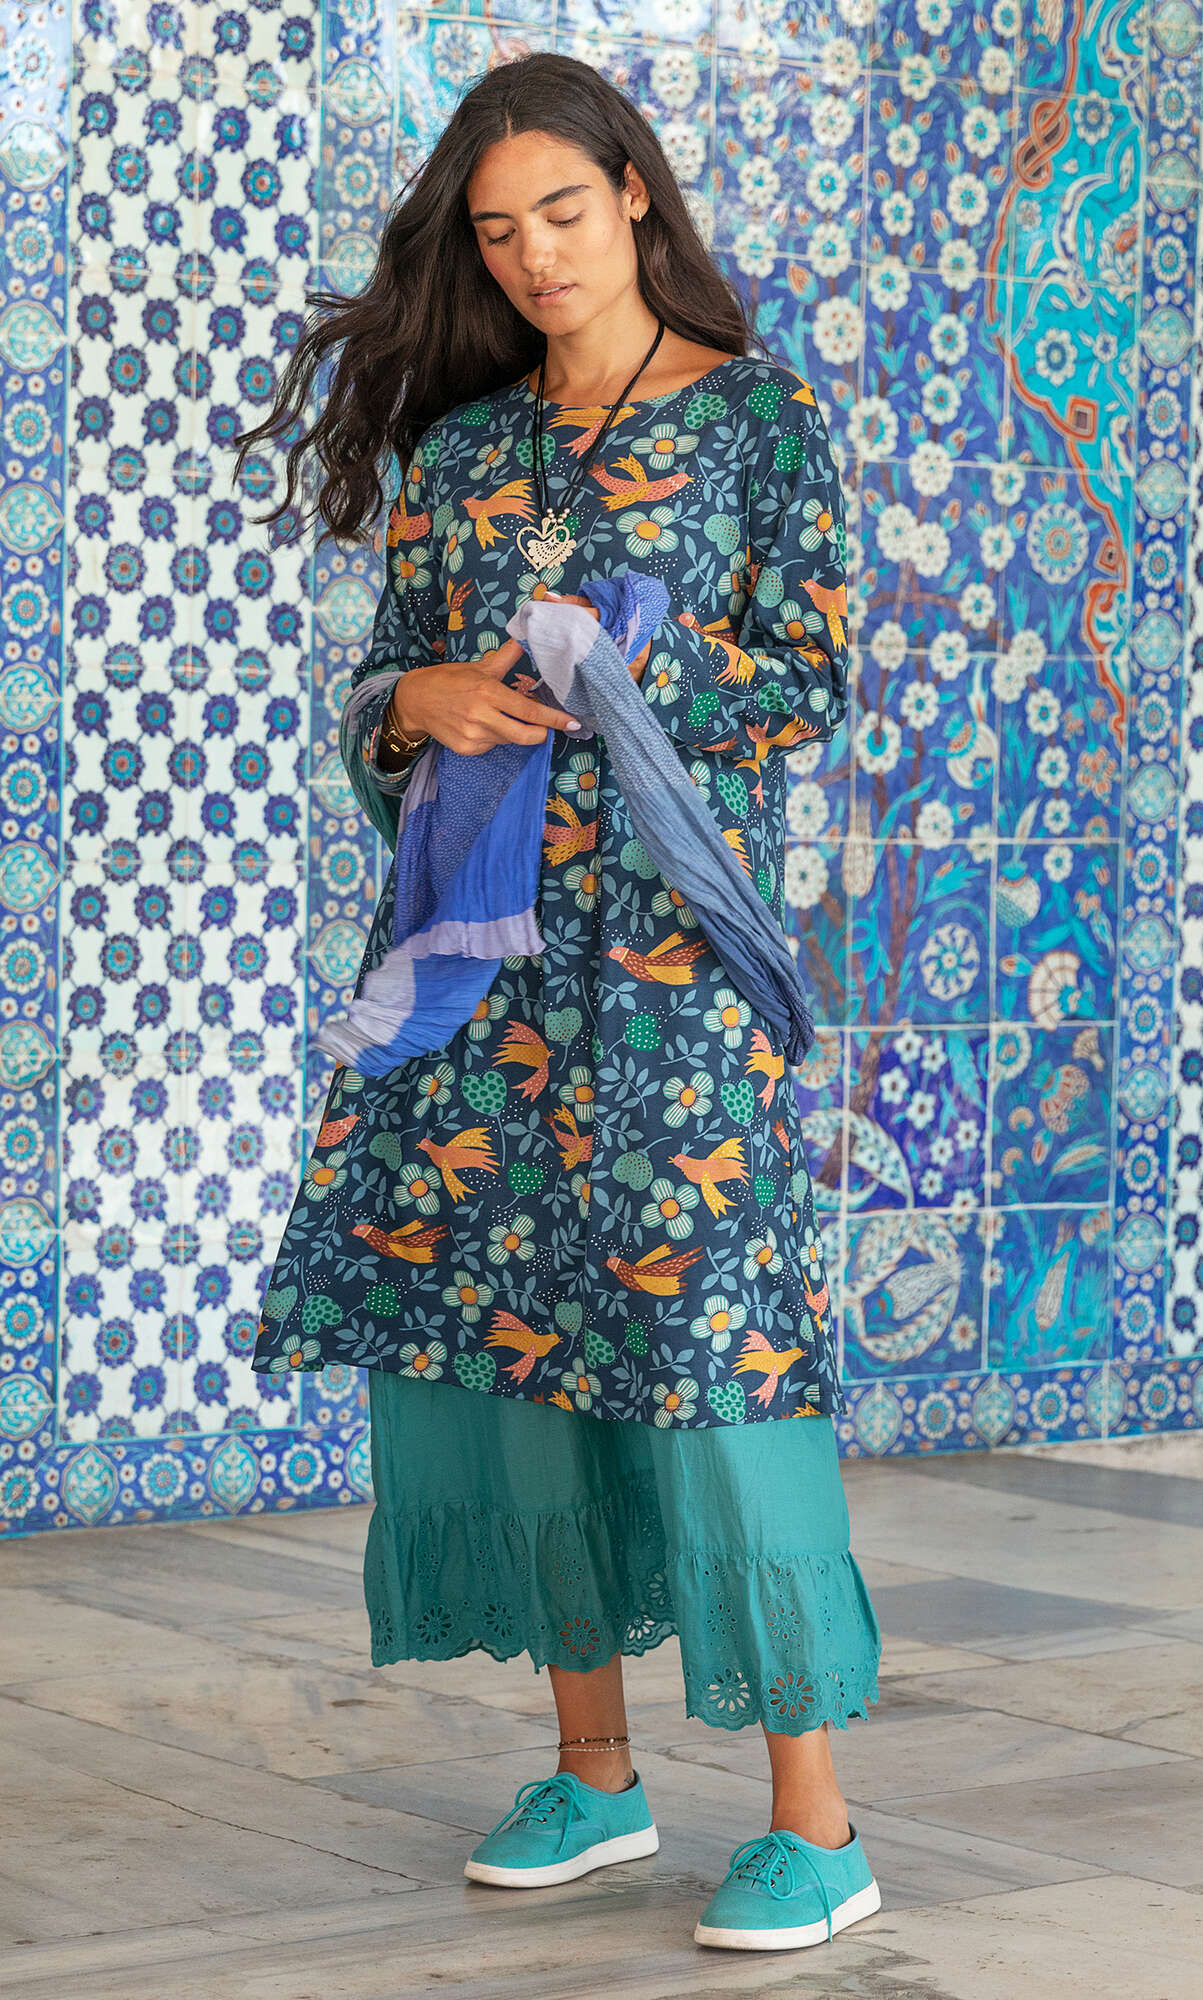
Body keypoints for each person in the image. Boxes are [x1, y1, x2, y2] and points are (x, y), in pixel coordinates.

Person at [236, 49, 881, 1954]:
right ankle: (593, 1777)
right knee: (514, 1347)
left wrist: (624, 668)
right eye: (500, 228)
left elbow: (808, 673)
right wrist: (407, 706)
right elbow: (390, 692)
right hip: (481, 977)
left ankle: (818, 1824)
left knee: (712, 1361)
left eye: (564, 213)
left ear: (636, 196)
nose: (533, 255)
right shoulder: (463, 455)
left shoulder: (755, 417)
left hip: (669, 977)